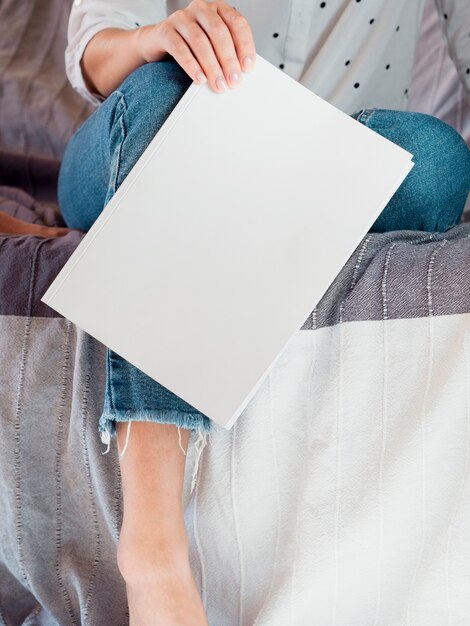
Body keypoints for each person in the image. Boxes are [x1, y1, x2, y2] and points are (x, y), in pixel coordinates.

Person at [59, 0, 470, 623]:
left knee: (435, 157)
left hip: (331, 156)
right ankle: (153, 549)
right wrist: (151, 40)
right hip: (155, 127)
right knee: (165, 86)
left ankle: (197, 227)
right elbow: (94, 52)